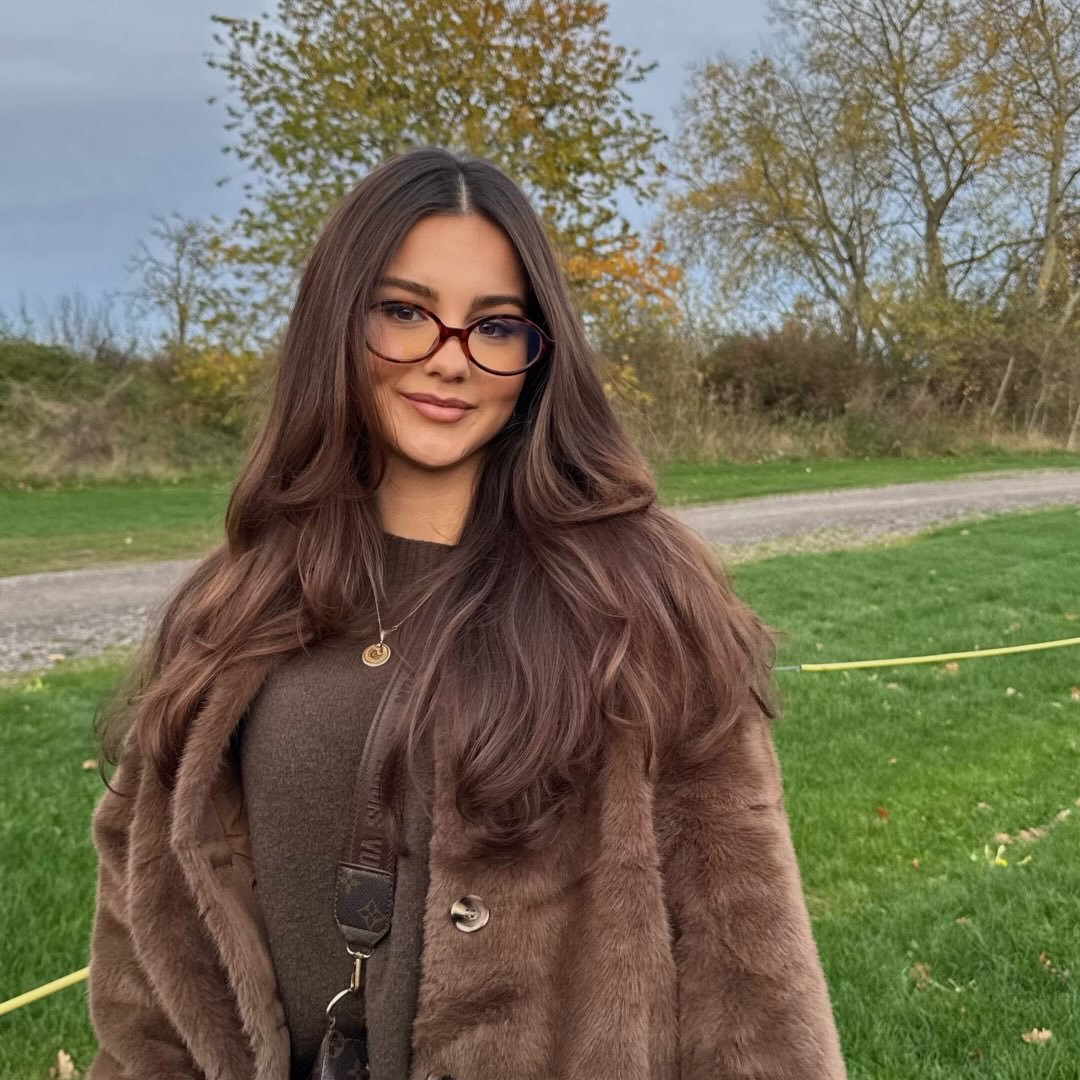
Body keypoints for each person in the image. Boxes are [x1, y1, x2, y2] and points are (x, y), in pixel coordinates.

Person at [85, 145, 847, 1080]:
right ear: (336, 322)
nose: (450, 361)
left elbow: (751, 974)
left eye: (494, 325)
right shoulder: (230, 606)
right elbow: (142, 968)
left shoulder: (639, 602)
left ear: (537, 353)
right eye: (405, 312)